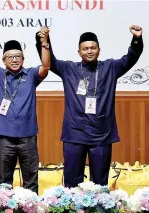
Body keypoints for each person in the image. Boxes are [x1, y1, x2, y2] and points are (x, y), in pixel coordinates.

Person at [35, 26, 144, 187]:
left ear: (99, 50)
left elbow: (131, 57)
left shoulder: (110, 68)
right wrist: (43, 41)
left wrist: (136, 39)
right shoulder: (69, 69)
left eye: (93, 48)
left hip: (101, 134)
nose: (89, 51)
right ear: (79, 52)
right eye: (85, 49)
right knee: (72, 183)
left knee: (99, 184)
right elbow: (49, 61)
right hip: (74, 134)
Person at [0, 27, 51, 194]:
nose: (14, 60)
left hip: (28, 137)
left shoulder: (32, 75)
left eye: (18, 57)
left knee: (31, 182)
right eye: (10, 57)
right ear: (4, 60)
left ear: (23, 59)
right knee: (4, 183)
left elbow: (46, 65)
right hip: (5, 137)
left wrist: (45, 43)